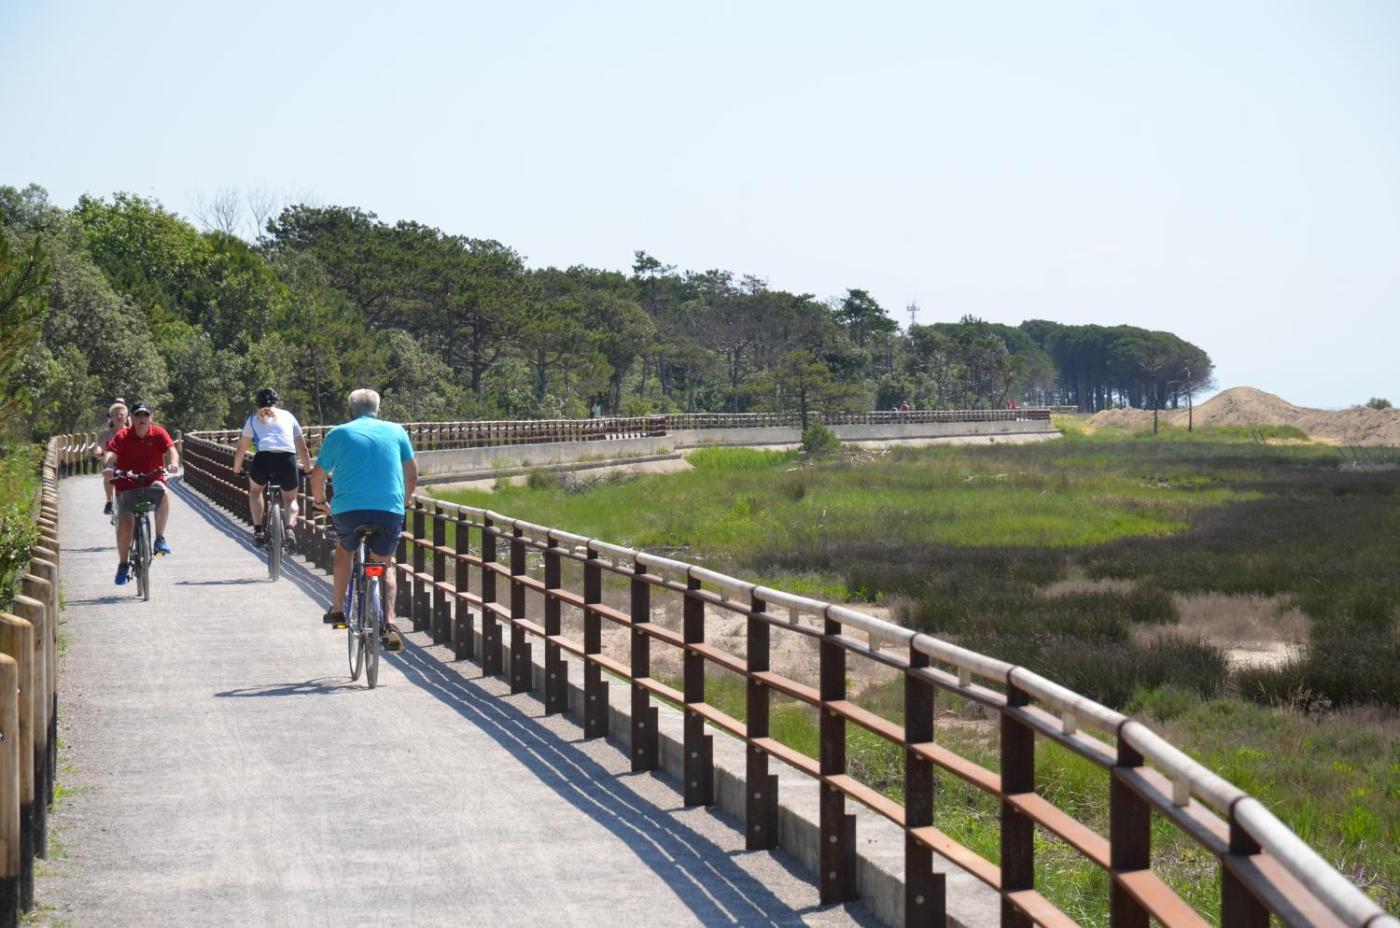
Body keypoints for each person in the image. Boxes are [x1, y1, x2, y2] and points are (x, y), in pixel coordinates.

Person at [309, 388, 417, 652]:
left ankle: (337, 609)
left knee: (344, 550)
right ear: (378, 410)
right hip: (388, 510)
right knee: (384, 564)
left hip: (348, 510)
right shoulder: (397, 431)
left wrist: (320, 501)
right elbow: (412, 473)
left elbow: (317, 475)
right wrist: (405, 501)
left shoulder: (338, 433)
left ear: (351, 410)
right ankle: (390, 624)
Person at [102, 401, 180, 585]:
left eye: (146, 415)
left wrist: (174, 463)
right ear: (132, 418)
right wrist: (109, 466)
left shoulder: (159, 433)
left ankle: (159, 539)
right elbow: (111, 453)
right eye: (138, 415)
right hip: (127, 485)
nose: (142, 418)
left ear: (151, 417)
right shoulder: (122, 436)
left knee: (163, 492)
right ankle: (123, 564)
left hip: (152, 480)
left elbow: (172, 450)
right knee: (125, 523)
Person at [231, 388, 313, 549]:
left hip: (263, 460)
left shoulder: (253, 419)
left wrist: (236, 469)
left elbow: (241, 448)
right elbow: (302, 448)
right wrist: (307, 469)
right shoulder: (288, 416)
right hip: (287, 460)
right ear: (276, 402)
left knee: (255, 492)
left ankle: (258, 531)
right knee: (290, 499)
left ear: (257, 403)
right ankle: (289, 530)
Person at [96, 400, 130, 516]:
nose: (119, 417)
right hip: (112, 463)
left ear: (126, 417)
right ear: (111, 418)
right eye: (116, 415)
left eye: (121, 414)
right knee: (108, 475)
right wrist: (99, 450)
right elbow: (99, 446)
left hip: (129, 463)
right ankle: (109, 500)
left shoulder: (131, 432)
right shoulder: (105, 433)